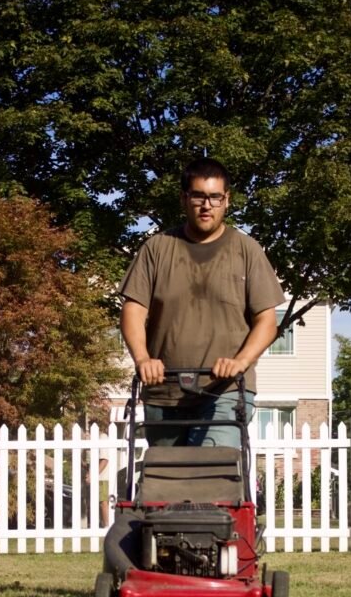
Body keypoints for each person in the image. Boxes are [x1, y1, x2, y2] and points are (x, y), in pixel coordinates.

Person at [119, 157, 286, 446]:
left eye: (215, 197)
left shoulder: (246, 251)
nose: (206, 205)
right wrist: (143, 358)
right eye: (198, 196)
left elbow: (267, 321)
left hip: (224, 391)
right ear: (185, 198)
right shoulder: (156, 249)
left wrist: (241, 361)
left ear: (226, 200)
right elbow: (133, 310)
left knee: (212, 473)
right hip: (164, 391)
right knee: (167, 482)